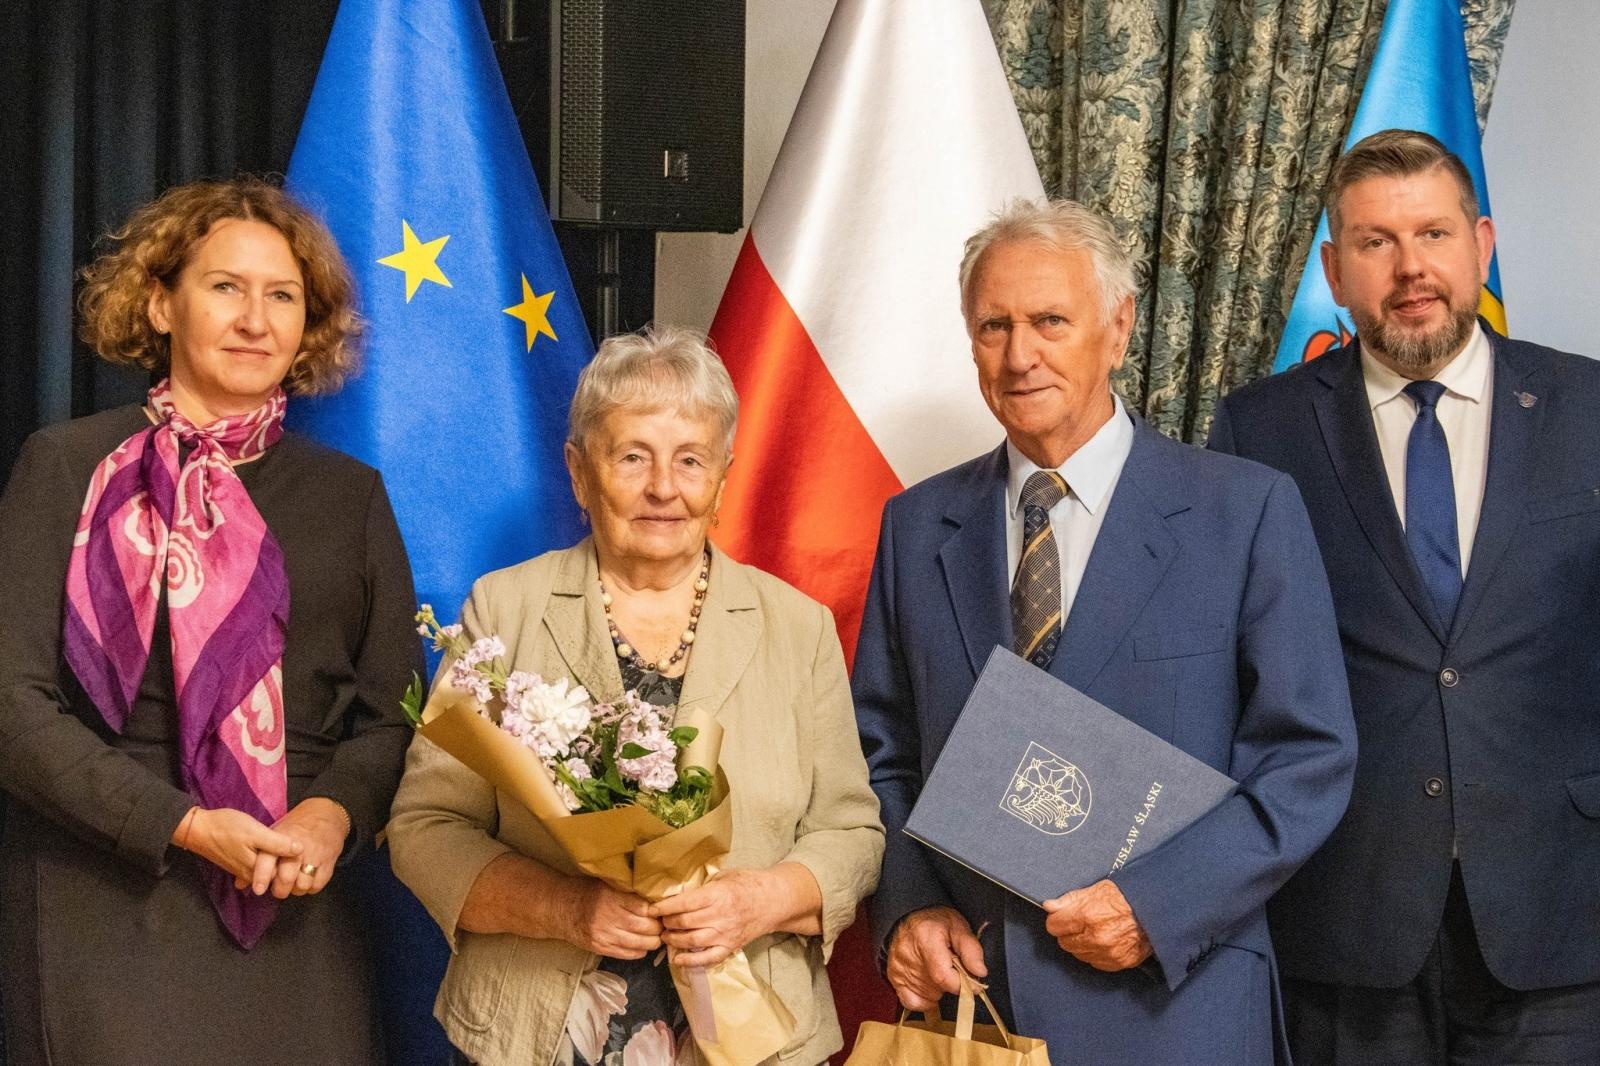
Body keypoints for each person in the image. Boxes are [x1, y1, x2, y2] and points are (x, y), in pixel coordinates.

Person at [853, 197, 1357, 1064]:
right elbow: (881, 750)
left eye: (1051, 320)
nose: (1020, 355)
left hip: (1177, 1006)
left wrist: (1159, 907)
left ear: (1117, 330)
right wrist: (909, 904)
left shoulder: (1243, 511)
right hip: (977, 1013)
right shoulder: (916, 525)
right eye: (993, 326)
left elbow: (1308, 758)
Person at [0, 177, 422, 1064]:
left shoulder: (352, 498)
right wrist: (185, 825)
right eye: (225, 287)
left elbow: (394, 715)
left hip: (296, 900)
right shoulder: (64, 465)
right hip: (107, 886)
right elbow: (13, 707)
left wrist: (332, 819)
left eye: (282, 297)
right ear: (158, 302)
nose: (255, 320)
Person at [386, 325, 883, 1066]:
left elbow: (852, 832)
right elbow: (426, 828)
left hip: (753, 1034)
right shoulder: (505, 608)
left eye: (691, 460)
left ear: (723, 477)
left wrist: (757, 901)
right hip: (540, 1031)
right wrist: (568, 910)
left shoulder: (797, 628)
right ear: (580, 472)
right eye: (632, 457)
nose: (663, 488)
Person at [1209, 127, 1600, 1063]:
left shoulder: (1591, 410)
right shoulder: (1258, 429)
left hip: (1562, 909)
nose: (1410, 267)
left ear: (1483, 246)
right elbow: (1227, 672)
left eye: (1433, 234)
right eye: (1377, 243)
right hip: (1345, 918)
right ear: (1335, 269)